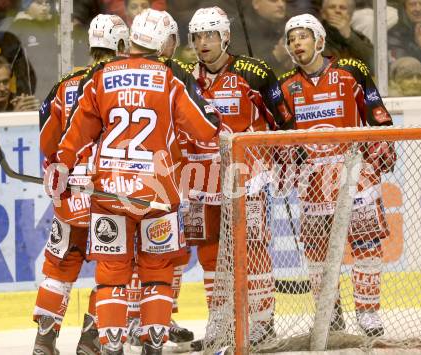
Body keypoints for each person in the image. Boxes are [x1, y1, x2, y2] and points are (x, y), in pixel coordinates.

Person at [45, 7, 221, 354]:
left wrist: (63, 164)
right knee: (157, 270)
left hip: (109, 192)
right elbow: (205, 131)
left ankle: (111, 347)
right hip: (156, 195)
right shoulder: (168, 79)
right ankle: (153, 347)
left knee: (112, 273)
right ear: (159, 40)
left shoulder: (102, 76)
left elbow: (77, 130)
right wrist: (214, 119)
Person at [278, 13, 396, 337]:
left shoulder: (350, 72)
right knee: (317, 253)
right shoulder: (286, 86)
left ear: (319, 40)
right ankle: (329, 314)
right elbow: (281, 135)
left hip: (353, 171)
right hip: (313, 180)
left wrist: (381, 148)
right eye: (291, 38)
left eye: (302, 36)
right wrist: (290, 156)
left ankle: (368, 313)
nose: (296, 43)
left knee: (366, 244)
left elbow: (377, 115)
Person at [181, 6, 290, 351]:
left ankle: (261, 322)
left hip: (249, 178)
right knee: (210, 252)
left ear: (225, 36)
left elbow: (283, 123)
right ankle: (219, 320)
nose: (203, 42)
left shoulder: (254, 73)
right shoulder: (185, 77)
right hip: (202, 178)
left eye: (210, 35)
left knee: (254, 247)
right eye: (197, 36)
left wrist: (284, 166)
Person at [34, 13, 129, 355]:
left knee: (60, 265)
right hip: (110, 191)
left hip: (70, 191)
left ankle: (44, 341)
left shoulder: (65, 84)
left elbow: (48, 142)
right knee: (113, 266)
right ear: (121, 43)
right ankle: (91, 339)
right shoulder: (125, 83)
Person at [123, 9, 195, 353]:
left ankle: (158, 317)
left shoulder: (117, 71)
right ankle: (140, 316)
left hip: (127, 176)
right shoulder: (174, 74)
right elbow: (202, 122)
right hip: (158, 178)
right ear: (164, 41)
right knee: (154, 251)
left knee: (152, 252)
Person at [9, 0, 59, 101]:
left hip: (54, 87)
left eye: (47, 3)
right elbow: (9, 62)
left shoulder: (56, 25)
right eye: (39, 3)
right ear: (26, 6)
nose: (44, 8)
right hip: (29, 92)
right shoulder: (17, 27)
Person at [320, 0, 374, 68]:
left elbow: (375, 64)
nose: (337, 11)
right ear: (323, 14)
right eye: (332, 7)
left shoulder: (358, 37)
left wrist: (349, 36)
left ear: (350, 16)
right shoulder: (315, 37)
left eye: (342, 8)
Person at [388, 0, 421, 71]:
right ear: (404, 9)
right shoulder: (394, 34)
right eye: (412, 4)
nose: (418, 9)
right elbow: (404, 69)